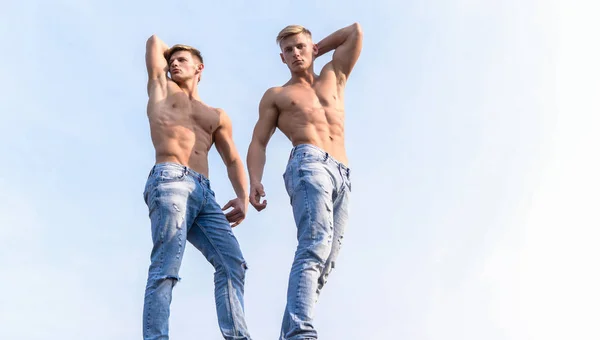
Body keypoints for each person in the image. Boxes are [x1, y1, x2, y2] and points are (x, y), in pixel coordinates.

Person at [246, 23, 363, 339]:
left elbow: (354, 32)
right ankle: (300, 331)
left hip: (343, 173)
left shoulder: (333, 76)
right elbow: (258, 141)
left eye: (300, 47)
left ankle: (291, 332)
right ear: (281, 58)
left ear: (312, 49)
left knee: (326, 262)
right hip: (308, 163)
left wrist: (317, 49)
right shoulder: (278, 95)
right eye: (288, 50)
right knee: (314, 243)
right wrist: (254, 180)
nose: (295, 53)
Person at [142, 34, 252, 340]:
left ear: (199, 68)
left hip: (205, 193)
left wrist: (242, 197)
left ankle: (238, 336)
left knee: (233, 264)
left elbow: (232, 160)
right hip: (170, 179)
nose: (174, 63)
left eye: (182, 61)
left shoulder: (216, 115)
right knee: (167, 266)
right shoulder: (161, 88)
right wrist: (174, 55)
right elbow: (154, 42)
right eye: (171, 60)